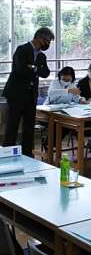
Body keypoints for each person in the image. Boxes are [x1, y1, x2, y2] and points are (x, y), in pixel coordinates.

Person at [3, 27, 54, 157]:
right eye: (47, 41)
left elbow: (46, 73)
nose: (47, 44)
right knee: (12, 126)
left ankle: (27, 155)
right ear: (39, 38)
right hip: (16, 94)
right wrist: (36, 69)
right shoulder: (22, 49)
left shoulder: (41, 55)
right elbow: (20, 70)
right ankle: (7, 155)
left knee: (29, 128)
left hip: (31, 96)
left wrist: (33, 67)